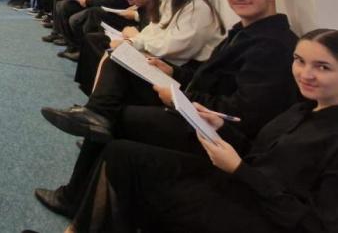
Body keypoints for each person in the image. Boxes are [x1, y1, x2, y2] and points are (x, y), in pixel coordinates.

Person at [67, 28, 337, 233]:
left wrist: (239, 170)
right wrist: (220, 128)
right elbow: (259, 155)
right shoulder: (302, 109)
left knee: (138, 166)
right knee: (120, 154)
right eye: (299, 61)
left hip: (262, 215)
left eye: (322, 67)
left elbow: (316, 225)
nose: (305, 74)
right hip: (241, 184)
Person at [40, 0, 226, 144]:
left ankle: (97, 113)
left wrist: (132, 42)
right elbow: (154, 30)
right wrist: (132, 42)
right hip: (166, 61)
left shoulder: (197, 6)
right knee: (112, 50)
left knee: (116, 57)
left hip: (184, 73)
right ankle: (96, 112)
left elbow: (175, 47)